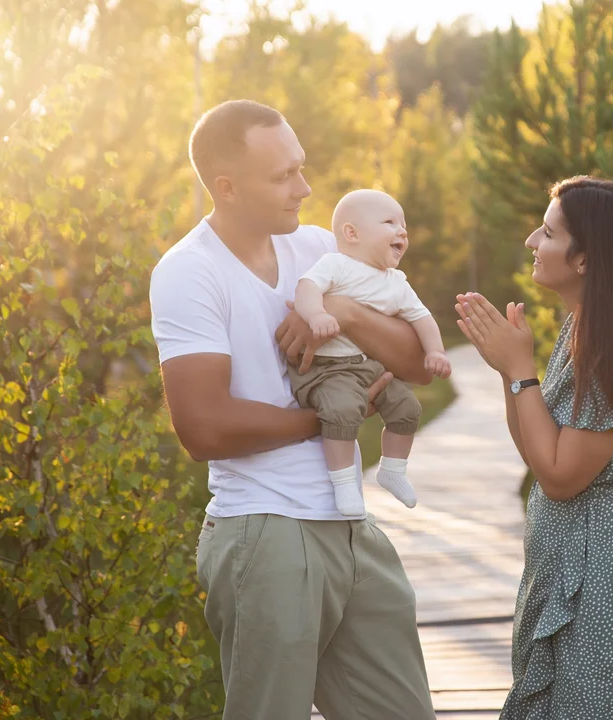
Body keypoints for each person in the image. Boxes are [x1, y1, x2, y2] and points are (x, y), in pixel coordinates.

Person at [149, 99, 437, 720]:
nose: (304, 188)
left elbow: (417, 364)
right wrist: (335, 414)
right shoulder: (189, 272)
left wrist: (350, 315)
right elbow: (203, 428)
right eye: (283, 177)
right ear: (227, 188)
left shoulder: (318, 250)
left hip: (352, 528)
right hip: (266, 531)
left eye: (301, 169)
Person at [454, 176, 613, 719]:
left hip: (606, 579)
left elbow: (562, 477)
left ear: (585, 259)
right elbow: (540, 457)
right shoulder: (582, 328)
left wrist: (521, 370)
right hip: (572, 564)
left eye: (547, 231)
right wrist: (507, 369)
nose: (531, 242)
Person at [290, 189, 452, 516]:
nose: (402, 230)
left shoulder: (397, 282)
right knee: (342, 409)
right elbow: (306, 288)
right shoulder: (336, 264)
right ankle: (344, 483)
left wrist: (435, 351)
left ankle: (393, 470)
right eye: (390, 222)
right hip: (328, 369)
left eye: (404, 224)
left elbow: (421, 317)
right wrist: (317, 314)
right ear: (352, 233)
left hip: (367, 366)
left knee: (407, 407)